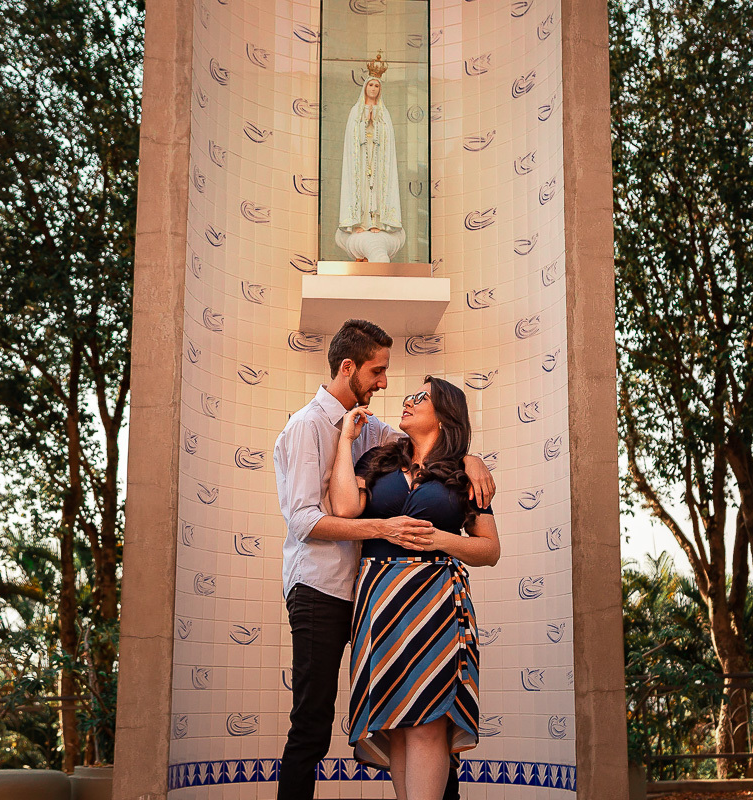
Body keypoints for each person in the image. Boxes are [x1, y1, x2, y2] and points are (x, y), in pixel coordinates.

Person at [273, 320, 495, 800]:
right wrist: (385, 529)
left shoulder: (373, 429)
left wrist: (472, 460)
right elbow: (306, 520)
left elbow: (434, 444)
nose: (385, 383)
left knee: (426, 710)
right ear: (347, 367)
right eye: (377, 371)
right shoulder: (306, 426)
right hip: (320, 590)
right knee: (312, 722)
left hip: (379, 597)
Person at [327, 377, 500, 800]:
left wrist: (442, 539)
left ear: (444, 415)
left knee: (427, 721)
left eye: (421, 397)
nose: (408, 400)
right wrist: (345, 441)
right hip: (379, 600)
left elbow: (489, 549)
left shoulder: (463, 473)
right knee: (398, 725)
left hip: (437, 603)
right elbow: (345, 509)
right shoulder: (378, 458)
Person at [336, 53, 406, 263]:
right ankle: (360, 222)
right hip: (361, 157)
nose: (374, 89)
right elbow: (351, 137)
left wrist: (376, 124)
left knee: (377, 188)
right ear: (365, 87)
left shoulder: (384, 113)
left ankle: (377, 222)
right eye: (371, 85)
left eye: (377, 86)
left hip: (377, 158)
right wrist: (364, 121)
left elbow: (387, 138)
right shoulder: (355, 111)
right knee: (362, 188)